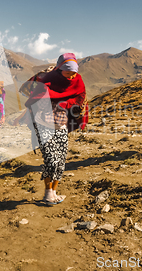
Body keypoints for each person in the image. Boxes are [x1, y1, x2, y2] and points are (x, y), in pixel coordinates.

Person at [25, 53, 88, 205]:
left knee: (60, 161)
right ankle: (48, 193)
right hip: (43, 124)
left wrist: (69, 103)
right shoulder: (47, 80)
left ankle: (53, 193)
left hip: (61, 125)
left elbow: (80, 98)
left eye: (74, 73)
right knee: (51, 160)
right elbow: (33, 95)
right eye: (68, 73)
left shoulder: (75, 82)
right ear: (60, 69)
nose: (71, 77)